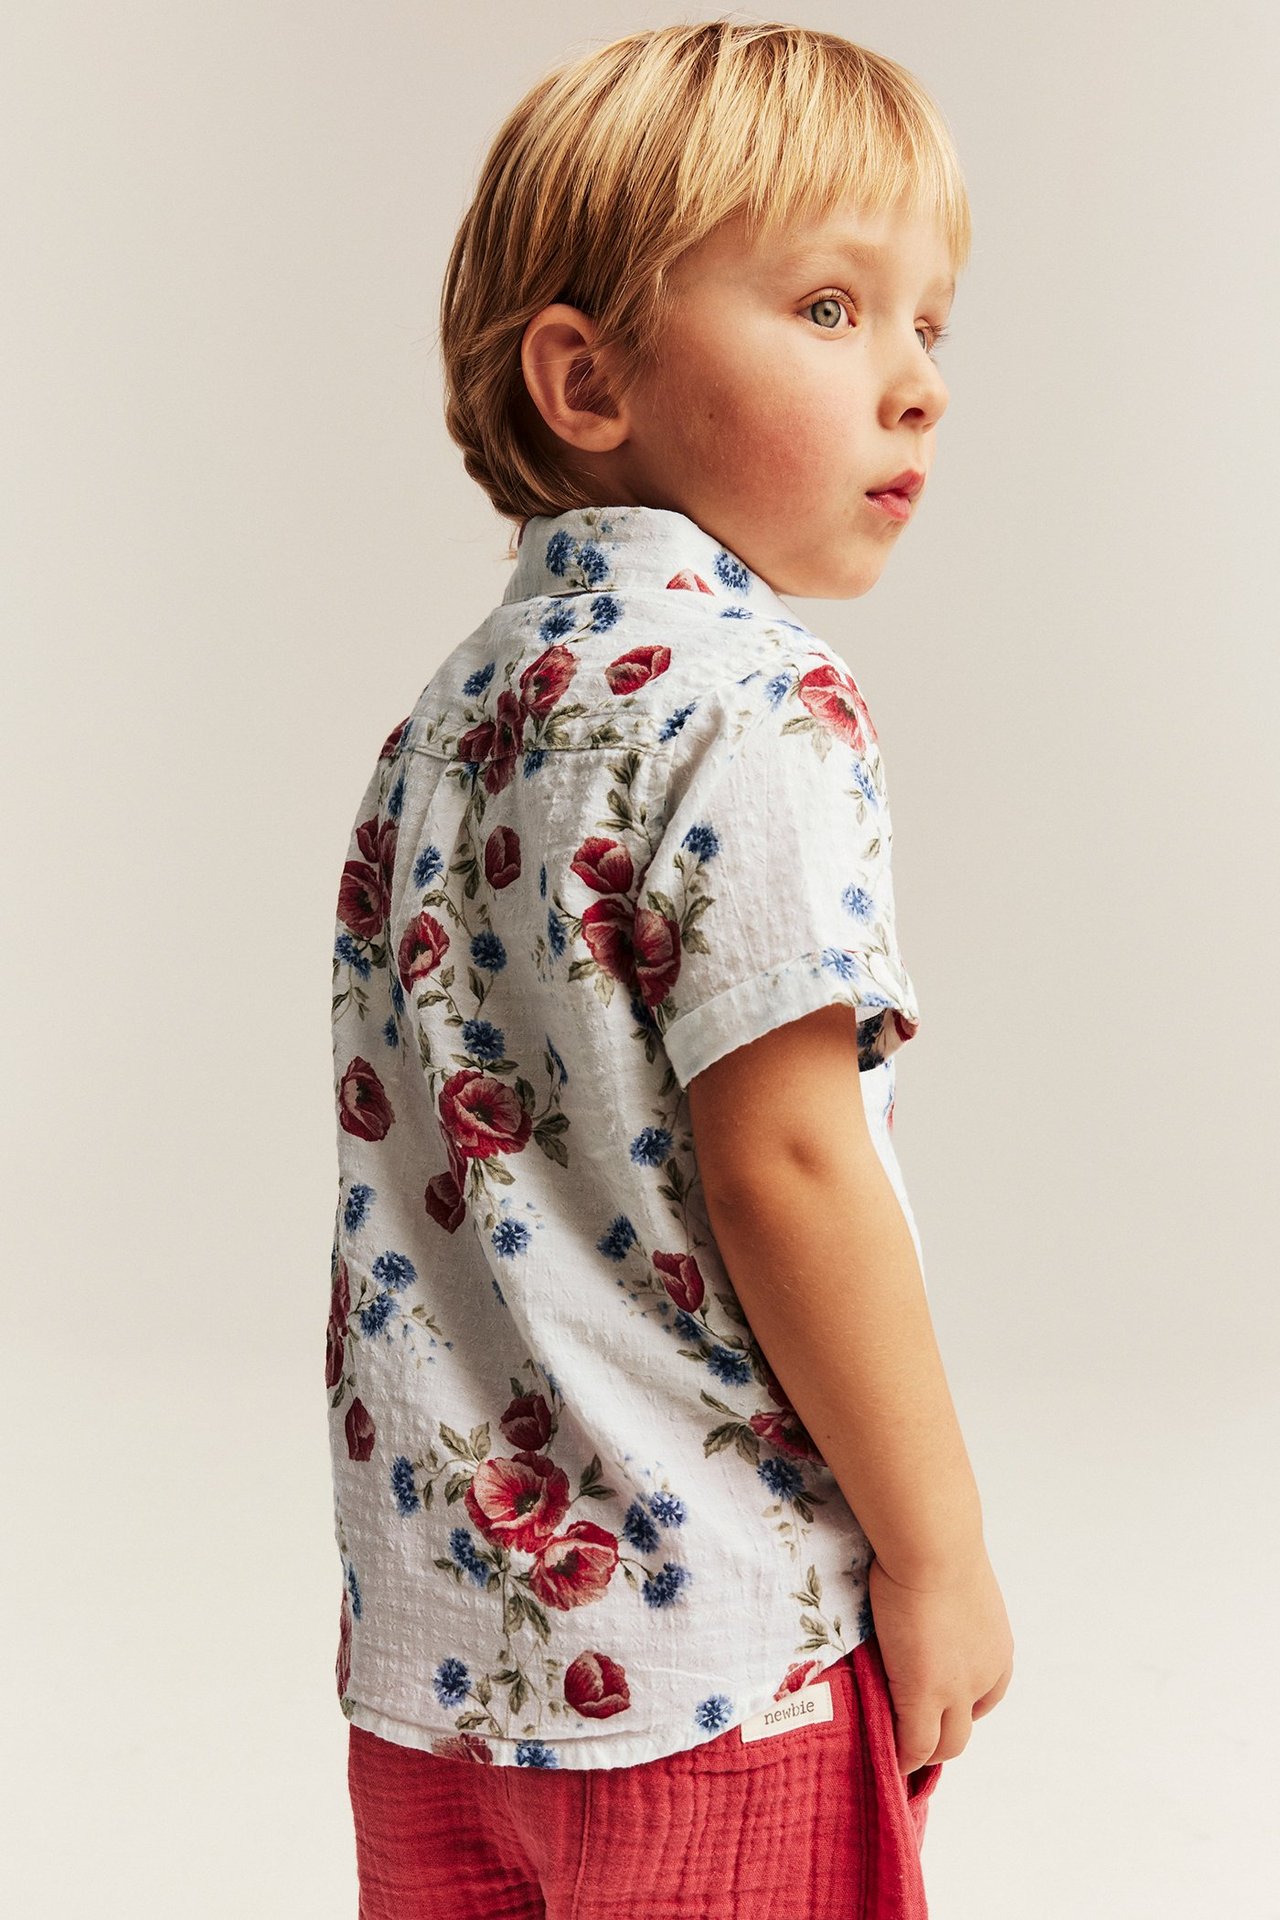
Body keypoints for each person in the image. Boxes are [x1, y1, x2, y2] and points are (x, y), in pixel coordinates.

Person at [329, 18, 1013, 1917]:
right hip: (717, 1669)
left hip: (441, 1675)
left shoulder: (448, 723)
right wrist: (936, 1548)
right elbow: (787, 1160)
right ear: (587, 375)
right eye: (825, 304)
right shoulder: (754, 704)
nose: (914, 387)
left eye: (926, 325)